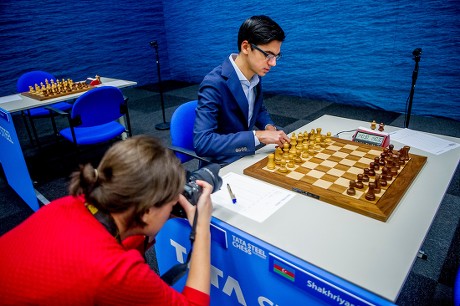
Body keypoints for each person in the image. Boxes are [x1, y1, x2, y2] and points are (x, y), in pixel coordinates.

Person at [0, 135, 213, 305]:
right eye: (170, 202)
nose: (174, 206)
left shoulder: (71, 203)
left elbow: (120, 238)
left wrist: (164, 210)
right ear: (147, 210)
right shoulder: (114, 270)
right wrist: (201, 229)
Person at [194, 15, 291, 166]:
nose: (273, 63)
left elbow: (257, 109)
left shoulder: (255, 74)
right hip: (222, 164)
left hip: (247, 155)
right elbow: (202, 143)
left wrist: (268, 127)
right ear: (246, 47)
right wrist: (258, 136)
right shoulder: (214, 84)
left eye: (276, 57)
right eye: (268, 55)